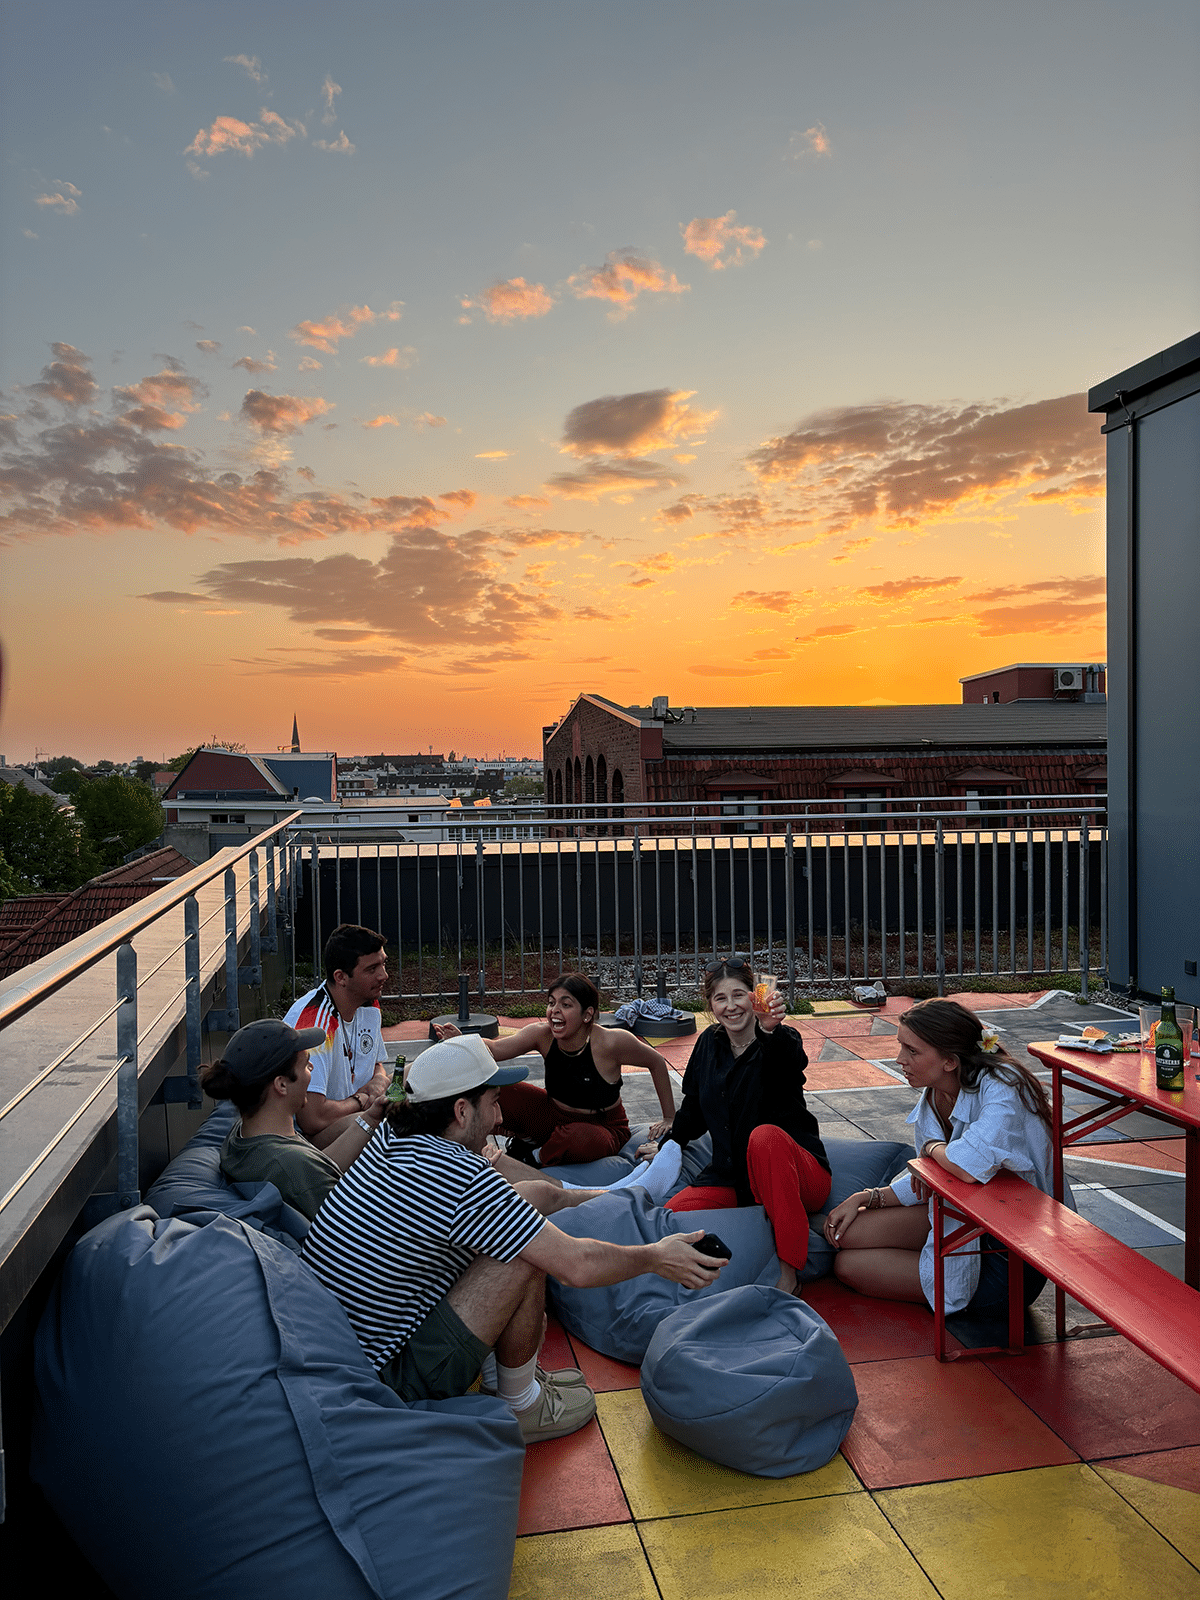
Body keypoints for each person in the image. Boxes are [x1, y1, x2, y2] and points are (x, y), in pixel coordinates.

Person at [300, 1032, 725, 1442]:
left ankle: (625, 1192)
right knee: (526, 1254)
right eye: (495, 1102)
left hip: (352, 1344)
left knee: (529, 1199)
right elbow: (576, 1264)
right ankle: (522, 1405)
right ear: (462, 1111)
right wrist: (656, 1257)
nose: (502, 1118)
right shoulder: (460, 1178)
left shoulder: (395, 1131)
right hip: (390, 1374)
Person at [824, 998, 1069, 1320]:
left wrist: (931, 1149)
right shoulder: (937, 1091)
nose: (900, 1059)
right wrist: (868, 1197)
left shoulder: (1005, 1088)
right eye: (901, 1047)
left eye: (912, 1051)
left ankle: (958, 1288)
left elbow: (965, 1168)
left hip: (1006, 1256)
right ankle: (926, 1259)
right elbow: (934, 1175)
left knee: (849, 1266)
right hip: (966, 1218)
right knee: (848, 1234)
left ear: (950, 1061)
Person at [648, 956, 832, 1296]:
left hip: (797, 1171)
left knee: (764, 1138)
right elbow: (695, 1109)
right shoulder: (709, 1043)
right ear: (710, 1004)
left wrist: (768, 1028)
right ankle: (768, 1223)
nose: (730, 1006)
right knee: (673, 1216)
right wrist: (669, 1143)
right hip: (734, 1177)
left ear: (755, 997)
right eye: (720, 998)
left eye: (739, 995)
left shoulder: (780, 1040)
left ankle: (790, 1272)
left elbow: (788, 1061)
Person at [437, 972, 678, 1170]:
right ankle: (481, 1148)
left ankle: (533, 1157)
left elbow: (656, 1062)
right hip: (552, 1115)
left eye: (566, 1004)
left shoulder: (611, 1042)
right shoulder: (541, 1034)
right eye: (551, 1003)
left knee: (580, 1137)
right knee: (497, 1092)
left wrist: (669, 1118)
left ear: (587, 1014)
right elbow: (495, 1049)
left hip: (601, 1128)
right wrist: (463, 1041)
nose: (554, 1010)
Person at [200, 1018, 386, 1221]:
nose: (312, 1069)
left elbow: (316, 1168)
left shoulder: (244, 1134)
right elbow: (360, 1227)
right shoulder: (290, 1166)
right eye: (306, 1064)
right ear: (281, 1085)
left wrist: (370, 1118)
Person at [285, 924, 391, 1137]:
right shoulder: (315, 1025)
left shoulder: (368, 1003)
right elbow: (313, 1119)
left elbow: (375, 1064)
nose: (384, 976)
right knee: (387, 1128)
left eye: (383, 964)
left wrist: (380, 1079)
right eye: (372, 969)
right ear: (341, 977)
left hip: (355, 1115)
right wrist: (360, 1100)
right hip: (316, 1138)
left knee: (421, 1072)